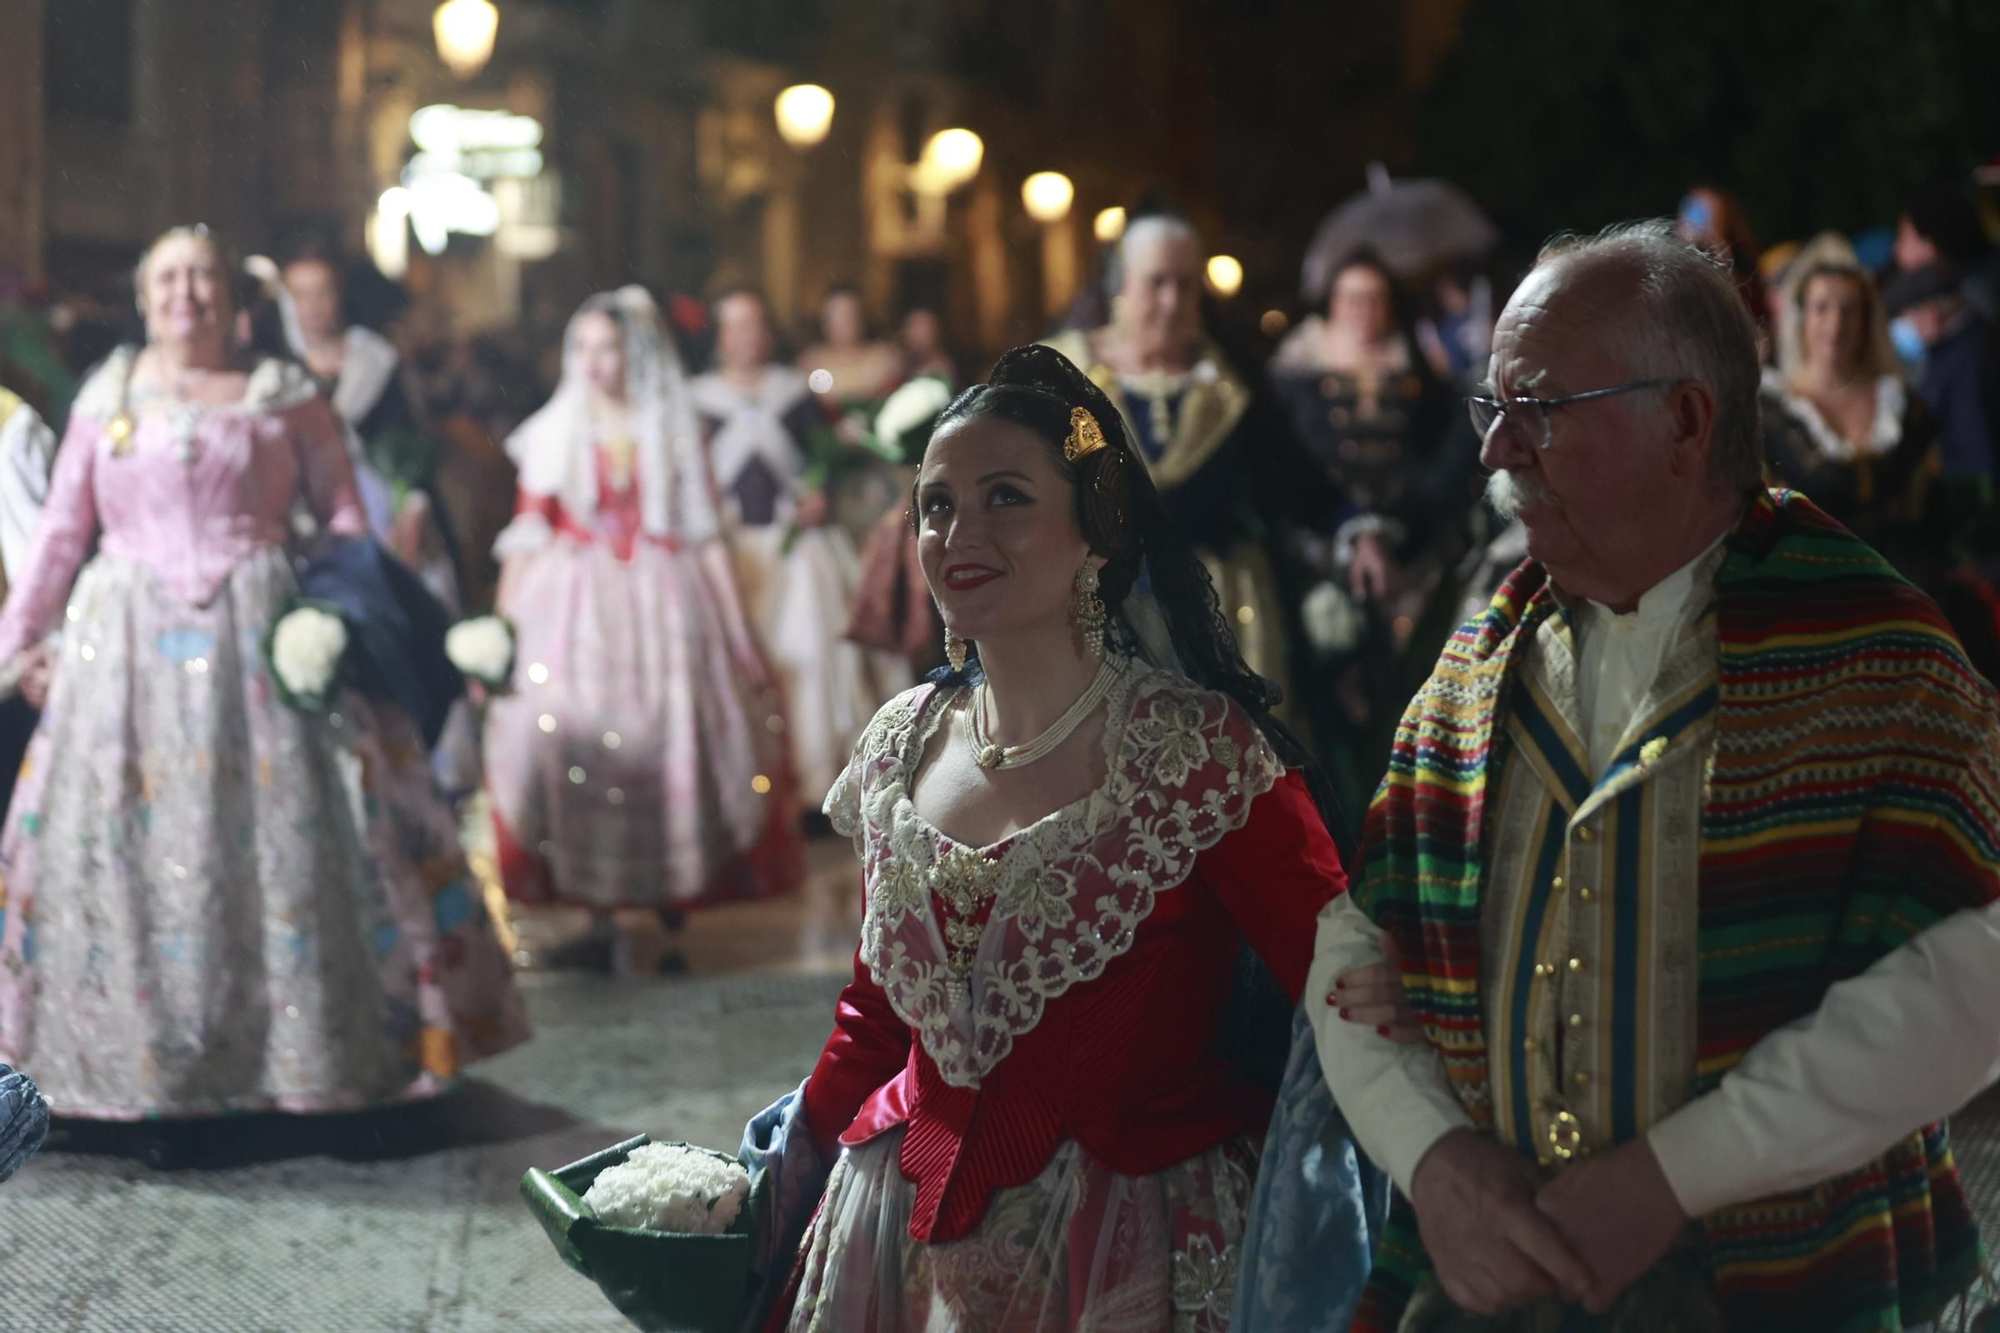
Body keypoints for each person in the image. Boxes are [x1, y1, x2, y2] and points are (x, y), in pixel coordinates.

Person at [1303, 220, 2000, 1330]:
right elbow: (1352, 947)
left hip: (1779, 1289)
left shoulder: (1873, 655)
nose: (1493, 452)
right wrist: (1432, 1160)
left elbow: (1973, 979)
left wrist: (1672, 1174)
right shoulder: (1474, 667)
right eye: (1491, 410)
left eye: (1536, 408)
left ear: (1684, 418)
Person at [741, 343, 1374, 1331]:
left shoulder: (1194, 753)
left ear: (1096, 530)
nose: (958, 531)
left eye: (1004, 497)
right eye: (935, 503)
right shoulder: (897, 744)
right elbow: (874, 1015)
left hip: (1132, 1241)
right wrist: (773, 1193)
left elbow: (1341, 997)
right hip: (895, 1233)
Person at [0, 226, 527, 1153]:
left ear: (237, 299)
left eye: (202, 277)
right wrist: (16, 643)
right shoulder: (109, 394)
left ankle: (303, 1059)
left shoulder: (284, 397)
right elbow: (56, 536)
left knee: (284, 843)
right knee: (127, 849)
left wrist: (341, 619)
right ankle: (127, 1063)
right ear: (144, 293)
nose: (185, 295)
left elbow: (345, 522)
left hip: (262, 638)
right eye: (167, 277)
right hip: (122, 653)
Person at [484, 288, 801, 973]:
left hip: (662, 599)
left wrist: (738, 631)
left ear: (635, 355)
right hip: (575, 604)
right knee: (577, 732)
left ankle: (666, 886)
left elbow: (705, 531)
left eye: (609, 347)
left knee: (670, 733)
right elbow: (529, 530)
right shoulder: (556, 429)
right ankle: (597, 901)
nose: (595, 363)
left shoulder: (669, 426)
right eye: (584, 348)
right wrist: (503, 631)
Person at [1043, 211, 1336, 713]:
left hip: (1224, 609)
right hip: (1094, 607)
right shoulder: (1061, 373)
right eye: (1156, 282)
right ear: (1120, 285)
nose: (1172, 301)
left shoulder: (1232, 383)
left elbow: (1296, 486)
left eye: (1186, 284)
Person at [1268, 248, 1478, 806]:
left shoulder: (1417, 369)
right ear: (1332, 304)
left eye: (1377, 299)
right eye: (1353, 298)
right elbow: (1286, 465)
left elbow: (1438, 454)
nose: (1365, 310)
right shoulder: (1295, 371)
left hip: (1404, 552)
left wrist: (1398, 531)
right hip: (1317, 552)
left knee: (1404, 684)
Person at [691, 287, 909, 806]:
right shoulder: (695, 397)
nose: (747, 337)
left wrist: (821, 495)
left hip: (798, 553)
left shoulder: (793, 391)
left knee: (809, 657)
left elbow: (827, 459)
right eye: (736, 326)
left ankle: (812, 786)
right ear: (719, 336)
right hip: (732, 554)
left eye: (755, 324)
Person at [1760, 257, 1937, 571]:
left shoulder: (1899, 403)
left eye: (1848, 309)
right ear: (1802, 318)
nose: (1835, 323)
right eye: (1822, 308)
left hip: (1903, 582)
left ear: (1865, 321)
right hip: (1811, 586)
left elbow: (1923, 504)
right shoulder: (1773, 410)